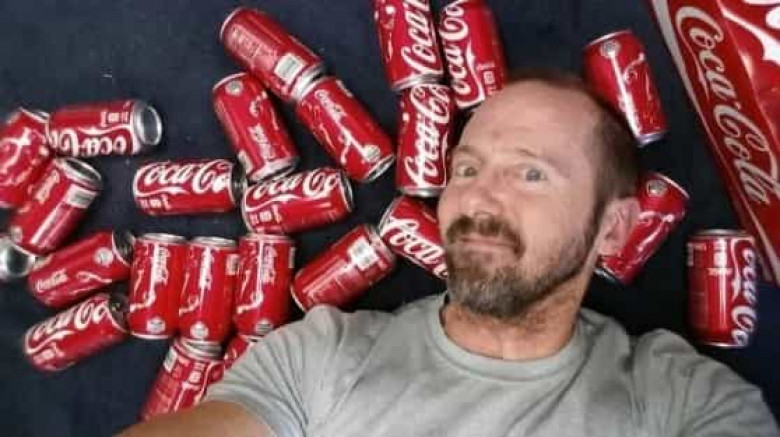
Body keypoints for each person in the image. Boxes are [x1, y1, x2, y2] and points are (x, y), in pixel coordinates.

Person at [119, 69, 779, 437]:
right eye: (466, 168)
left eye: (530, 174)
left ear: (615, 228)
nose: (478, 197)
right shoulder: (319, 356)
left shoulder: (682, 400)